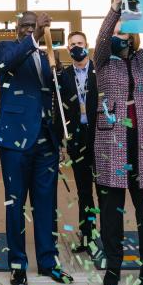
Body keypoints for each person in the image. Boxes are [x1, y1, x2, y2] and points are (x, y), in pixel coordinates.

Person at [92, 0, 143, 285]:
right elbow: (101, 38)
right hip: (113, 145)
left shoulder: (142, 61)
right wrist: (114, 8)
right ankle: (113, 267)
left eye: (125, 34)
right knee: (112, 214)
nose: (120, 38)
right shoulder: (102, 61)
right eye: (117, 34)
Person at [0, 11, 73, 285]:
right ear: (17, 29)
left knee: (46, 204)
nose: (30, 30)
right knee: (15, 204)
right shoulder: (7, 49)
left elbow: (57, 96)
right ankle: (18, 264)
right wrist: (35, 38)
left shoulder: (48, 54)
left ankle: (48, 262)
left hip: (46, 141)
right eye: (25, 26)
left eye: (34, 26)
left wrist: (60, 70)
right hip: (15, 139)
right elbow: (9, 63)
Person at [56, 30, 98, 254]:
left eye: (80, 43)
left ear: (87, 45)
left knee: (105, 190)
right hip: (77, 138)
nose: (76, 47)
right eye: (72, 45)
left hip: (101, 136)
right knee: (84, 191)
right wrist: (62, 142)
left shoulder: (99, 70)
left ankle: (108, 236)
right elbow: (60, 111)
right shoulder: (63, 76)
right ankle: (87, 235)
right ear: (67, 49)